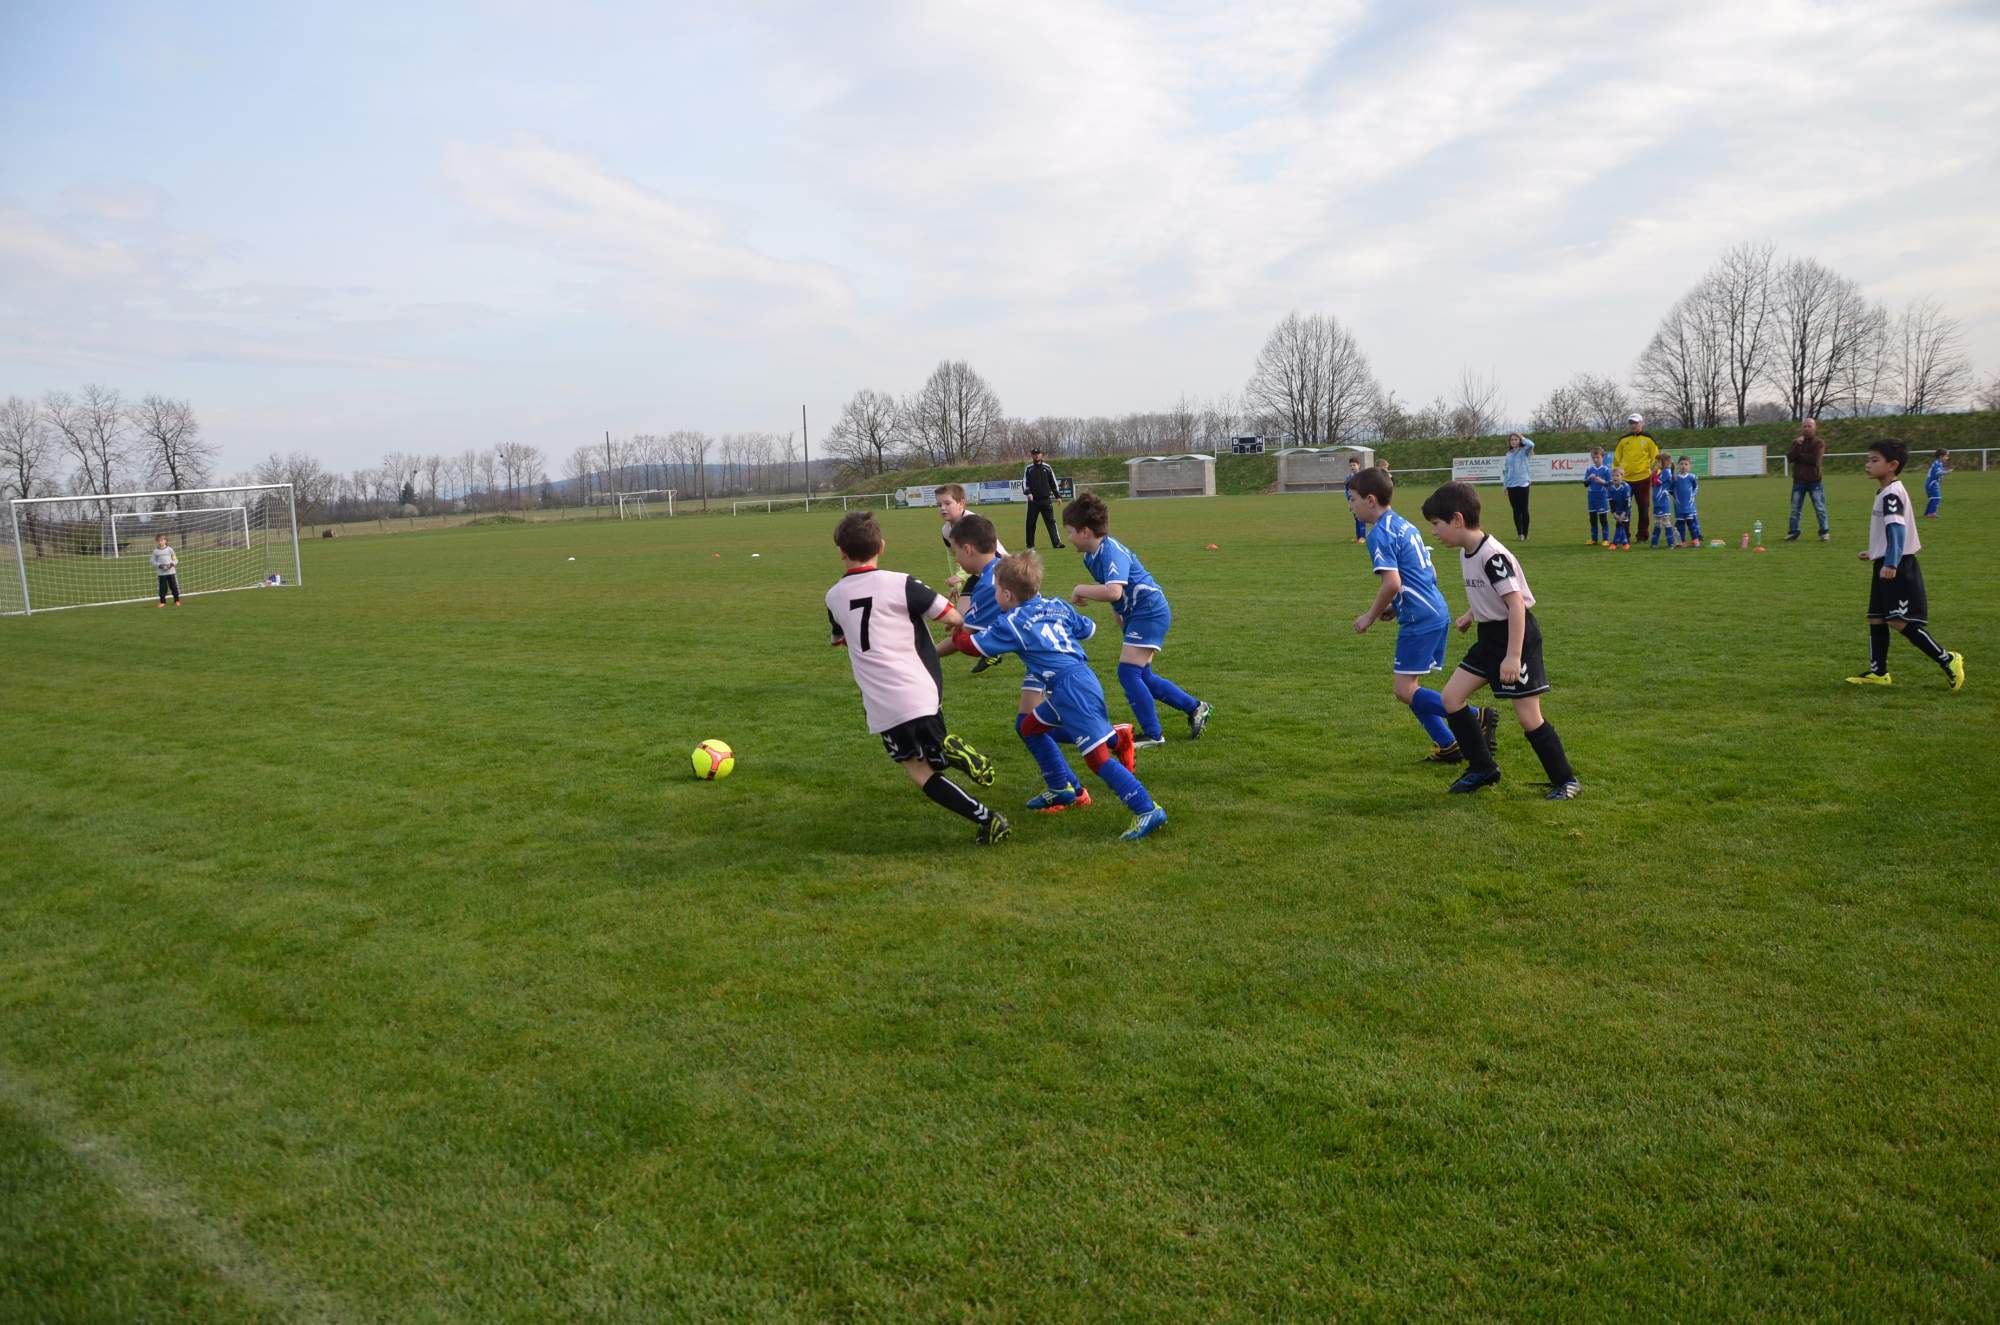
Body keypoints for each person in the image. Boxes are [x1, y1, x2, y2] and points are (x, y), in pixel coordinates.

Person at [823, 512, 1010, 845]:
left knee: (920, 771)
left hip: (881, 703)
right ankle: (950, 749)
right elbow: (953, 617)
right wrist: (954, 619)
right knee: (934, 752)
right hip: (921, 688)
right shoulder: (902, 583)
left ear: (841, 551)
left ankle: (987, 819)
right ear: (882, 546)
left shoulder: (833, 596)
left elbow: (840, 639)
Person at [969, 551, 1168, 841]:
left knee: (1097, 760)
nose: (995, 594)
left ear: (1008, 594)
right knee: (1030, 727)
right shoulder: (1056, 605)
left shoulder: (1012, 621)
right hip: (1071, 683)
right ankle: (1060, 787)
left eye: (996, 589)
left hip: (1072, 688)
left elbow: (973, 646)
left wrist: (955, 627)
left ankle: (1146, 808)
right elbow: (1088, 629)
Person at [1419, 481, 1582, 799]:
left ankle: (1566, 780)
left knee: (1529, 717)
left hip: (1515, 636)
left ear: (1457, 520)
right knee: (1452, 697)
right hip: (1489, 635)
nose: (1434, 532)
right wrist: (1472, 613)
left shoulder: (1492, 556)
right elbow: (1493, 594)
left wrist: (1513, 655)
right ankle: (1482, 767)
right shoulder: (1467, 551)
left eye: (1437, 524)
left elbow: (1516, 604)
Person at [1346, 467, 1494, 762]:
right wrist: (1397, 606)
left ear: (1370, 500)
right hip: (1434, 609)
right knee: (1411, 687)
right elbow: (1429, 572)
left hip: (1420, 617)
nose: (1351, 506)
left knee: (1404, 690)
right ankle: (1448, 744)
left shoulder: (1380, 534)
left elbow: (1392, 583)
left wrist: (1370, 616)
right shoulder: (1404, 524)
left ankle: (1475, 716)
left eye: (1352, 499)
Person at [1063, 491, 1212, 749]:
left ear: (1085, 532)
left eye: (1070, 532)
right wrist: (1120, 614)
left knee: (1128, 673)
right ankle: (1196, 707)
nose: (1068, 538)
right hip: (1138, 614)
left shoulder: (1110, 551)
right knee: (1143, 675)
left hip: (1150, 611)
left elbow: (1113, 590)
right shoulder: (1091, 556)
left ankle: (1153, 735)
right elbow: (1117, 593)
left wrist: (1079, 589)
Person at [1845, 439, 1965, 692]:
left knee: (1898, 620)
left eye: (1874, 460)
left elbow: (1898, 530)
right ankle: (1878, 673)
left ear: (1892, 465)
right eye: (1868, 459)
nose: (1868, 464)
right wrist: (1876, 552)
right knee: (1876, 618)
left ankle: (1947, 658)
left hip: (1898, 566)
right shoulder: (1886, 491)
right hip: (1886, 562)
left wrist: (1891, 561)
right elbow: (1889, 533)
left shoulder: (1891, 494)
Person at [935, 513, 1010, 676]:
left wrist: (926, 654)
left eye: (956, 553)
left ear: (968, 550)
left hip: (1052, 664)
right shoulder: (1002, 570)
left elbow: (964, 638)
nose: (956, 560)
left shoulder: (989, 585)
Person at [935, 484, 1007, 593]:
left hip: (999, 567)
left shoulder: (973, 523)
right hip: (977, 571)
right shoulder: (946, 530)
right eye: (939, 505)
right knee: (965, 602)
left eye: (947, 503)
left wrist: (960, 576)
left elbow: (979, 555)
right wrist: (956, 583)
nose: (942, 508)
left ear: (961, 504)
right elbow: (952, 556)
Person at [1612, 414, 1659, 545]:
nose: (1633, 425)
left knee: (1643, 508)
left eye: (1636, 423)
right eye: (1631, 423)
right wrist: (1616, 474)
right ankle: (1623, 536)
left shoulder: (1649, 439)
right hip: (1625, 480)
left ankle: (1642, 536)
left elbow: (1656, 458)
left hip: (1643, 478)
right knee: (1623, 508)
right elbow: (1616, 459)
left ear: (1642, 423)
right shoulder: (1623, 440)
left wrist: (1655, 473)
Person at [1785, 417, 1829, 541]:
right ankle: (1793, 532)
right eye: (1805, 426)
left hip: (1814, 481)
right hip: (1799, 481)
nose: (1807, 428)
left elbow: (1815, 460)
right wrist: (1797, 446)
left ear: (1815, 428)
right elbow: (1790, 458)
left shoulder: (1819, 443)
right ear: (1802, 428)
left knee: (1820, 508)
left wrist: (1799, 456)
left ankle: (1824, 532)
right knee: (1795, 509)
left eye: (1809, 426)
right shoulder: (1796, 443)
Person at [1022, 448, 1064, 550]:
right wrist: (1028, 493)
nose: (1036, 455)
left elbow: (1053, 483)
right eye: (1034, 454)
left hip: (1046, 500)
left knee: (1051, 522)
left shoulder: (1047, 467)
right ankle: (1030, 545)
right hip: (1033, 501)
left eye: (1038, 453)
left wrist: (1058, 496)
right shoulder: (1028, 469)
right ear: (1032, 456)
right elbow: (1025, 483)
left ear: (1041, 455)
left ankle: (1057, 543)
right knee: (1030, 523)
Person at [1502, 431, 1535, 540]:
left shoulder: (1524, 451)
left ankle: (1525, 533)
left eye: (1516, 439)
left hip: (1523, 483)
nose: (1513, 441)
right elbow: (1506, 470)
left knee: (1524, 509)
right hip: (1511, 485)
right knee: (1516, 510)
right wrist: (1505, 485)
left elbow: (1531, 444)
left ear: (1519, 441)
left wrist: (1522, 437)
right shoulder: (1508, 454)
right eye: (1512, 440)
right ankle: (1520, 534)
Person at [1671, 456, 1703, 547]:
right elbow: (1671, 489)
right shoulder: (1675, 478)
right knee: (1680, 524)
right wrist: (1676, 497)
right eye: (1681, 464)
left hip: (1689, 505)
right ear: (1678, 465)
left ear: (1690, 466)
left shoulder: (1692, 477)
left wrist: (1692, 496)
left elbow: (1695, 487)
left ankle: (1695, 540)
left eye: (1686, 464)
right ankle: (1682, 541)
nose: (1683, 466)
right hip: (1679, 505)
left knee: (1691, 523)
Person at [1583, 447, 1612, 545]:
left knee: (1603, 519)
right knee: (1592, 519)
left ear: (1602, 457)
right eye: (1593, 458)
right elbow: (1585, 484)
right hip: (1591, 497)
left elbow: (1610, 485)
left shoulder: (1606, 470)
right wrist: (1589, 479)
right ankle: (1594, 539)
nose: (1595, 460)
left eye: (1597, 457)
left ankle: (1605, 539)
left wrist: (1602, 481)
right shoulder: (1589, 469)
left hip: (1601, 497)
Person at [1648, 463, 1678, 548]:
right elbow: (1652, 482)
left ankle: (1670, 543)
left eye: (1658, 462)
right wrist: (1654, 472)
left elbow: (1657, 482)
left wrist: (1654, 472)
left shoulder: (1666, 472)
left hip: (1663, 500)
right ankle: (1654, 543)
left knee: (1666, 521)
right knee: (1657, 522)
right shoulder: (1659, 472)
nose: (1656, 464)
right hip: (1657, 501)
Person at [1606, 467, 1633, 549]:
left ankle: (1614, 544)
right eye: (1613, 475)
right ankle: (1625, 543)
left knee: (1620, 525)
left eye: (1617, 476)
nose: (1615, 477)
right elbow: (1611, 502)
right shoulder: (1610, 487)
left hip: (1625, 509)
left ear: (1622, 477)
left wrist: (1624, 514)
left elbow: (1627, 503)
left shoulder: (1626, 487)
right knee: (1620, 525)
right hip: (1617, 510)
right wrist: (1614, 513)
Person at [151, 533, 182, 606]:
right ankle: (162, 602)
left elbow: (176, 560)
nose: (160, 542)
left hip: (171, 572)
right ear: (156, 542)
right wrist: (159, 565)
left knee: (174, 587)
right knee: (162, 588)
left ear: (165, 541)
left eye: (162, 540)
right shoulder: (155, 551)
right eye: (158, 541)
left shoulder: (170, 549)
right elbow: (152, 561)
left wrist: (172, 564)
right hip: (161, 573)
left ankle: (177, 600)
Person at [1344, 457, 1366, 543]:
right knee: (1356, 518)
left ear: (1359, 466)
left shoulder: (1362, 477)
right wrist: (1349, 501)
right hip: (1353, 501)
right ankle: (1358, 537)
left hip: (1360, 500)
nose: (1352, 467)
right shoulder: (1348, 477)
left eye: (1354, 465)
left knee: (1361, 518)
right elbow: (1347, 490)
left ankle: (1363, 537)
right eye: (1351, 465)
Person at [1924, 449, 1949, 518]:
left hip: (1931, 483)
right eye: (1946, 456)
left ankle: (1927, 513)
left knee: (1933, 499)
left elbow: (1938, 474)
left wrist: (1941, 478)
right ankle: (1931, 513)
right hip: (1932, 484)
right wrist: (1946, 472)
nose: (1947, 458)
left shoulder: (1939, 463)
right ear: (1941, 456)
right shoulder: (1937, 464)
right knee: (1937, 498)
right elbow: (1938, 473)